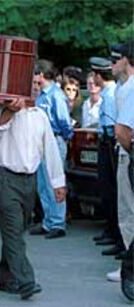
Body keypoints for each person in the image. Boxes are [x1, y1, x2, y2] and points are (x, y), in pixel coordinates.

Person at [0, 94, 66, 299]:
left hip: (29, 180)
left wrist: (58, 182)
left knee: (16, 231)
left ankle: (6, 276)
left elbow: (50, 149)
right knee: (13, 229)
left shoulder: (40, 115)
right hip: (4, 177)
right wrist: (10, 111)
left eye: (37, 85)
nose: (33, 89)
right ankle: (26, 281)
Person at [30, 59, 73, 239]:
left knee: (54, 181)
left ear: (41, 74)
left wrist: (65, 137)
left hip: (53, 140)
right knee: (42, 183)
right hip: (40, 141)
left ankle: (57, 222)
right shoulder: (42, 94)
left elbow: (64, 121)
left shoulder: (55, 95)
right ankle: (48, 220)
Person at [89, 57, 125, 258]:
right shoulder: (111, 91)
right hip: (106, 141)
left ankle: (117, 235)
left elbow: (112, 125)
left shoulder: (111, 94)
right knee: (107, 190)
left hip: (110, 143)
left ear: (98, 75)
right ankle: (111, 231)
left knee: (113, 190)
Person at [108, 41, 134, 299]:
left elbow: (122, 130)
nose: (113, 64)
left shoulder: (130, 88)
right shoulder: (124, 88)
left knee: (129, 212)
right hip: (127, 154)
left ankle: (129, 266)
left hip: (128, 155)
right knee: (128, 211)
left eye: (116, 60)